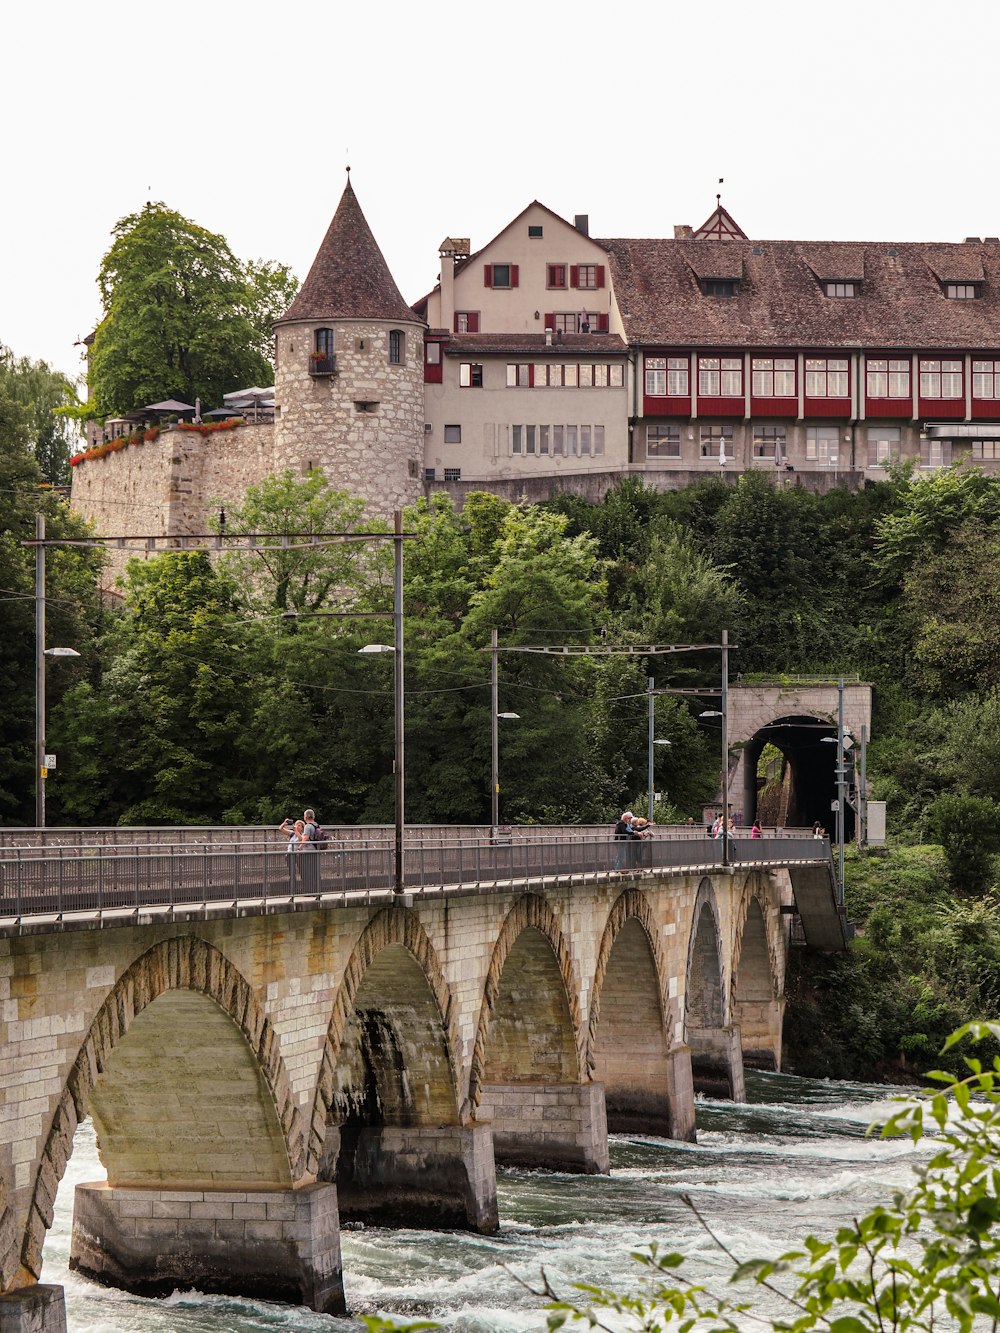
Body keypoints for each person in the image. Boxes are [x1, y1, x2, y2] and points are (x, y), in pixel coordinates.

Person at [279, 817, 310, 891]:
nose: (297, 826)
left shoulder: (303, 835)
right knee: (292, 873)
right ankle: (293, 888)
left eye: (299, 825)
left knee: (302, 871)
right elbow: (280, 828)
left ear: (302, 828)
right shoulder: (292, 834)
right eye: (296, 825)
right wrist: (284, 823)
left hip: (299, 855)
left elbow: (300, 839)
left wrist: (296, 831)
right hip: (290, 854)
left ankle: (305, 888)